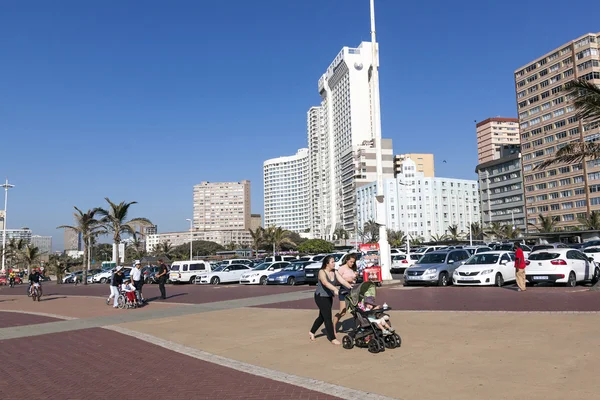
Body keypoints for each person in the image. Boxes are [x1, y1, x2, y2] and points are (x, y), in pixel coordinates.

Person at [309, 255, 353, 345]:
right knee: (327, 317)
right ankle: (332, 338)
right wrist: (335, 289)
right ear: (327, 263)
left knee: (322, 316)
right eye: (332, 262)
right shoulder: (322, 272)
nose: (334, 263)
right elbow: (325, 283)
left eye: (334, 261)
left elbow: (342, 280)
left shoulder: (335, 271)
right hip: (320, 296)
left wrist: (350, 287)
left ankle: (312, 332)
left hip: (328, 296)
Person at [333, 254, 358, 336]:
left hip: (351, 291)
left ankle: (357, 328)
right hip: (344, 290)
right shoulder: (342, 268)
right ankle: (333, 327)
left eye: (353, 262)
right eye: (351, 262)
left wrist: (355, 277)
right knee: (343, 312)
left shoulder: (351, 268)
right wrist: (348, 279)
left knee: (355, 311)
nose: (352, 263)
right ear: (346, 260)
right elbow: (337, 280)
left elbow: (353, 279)